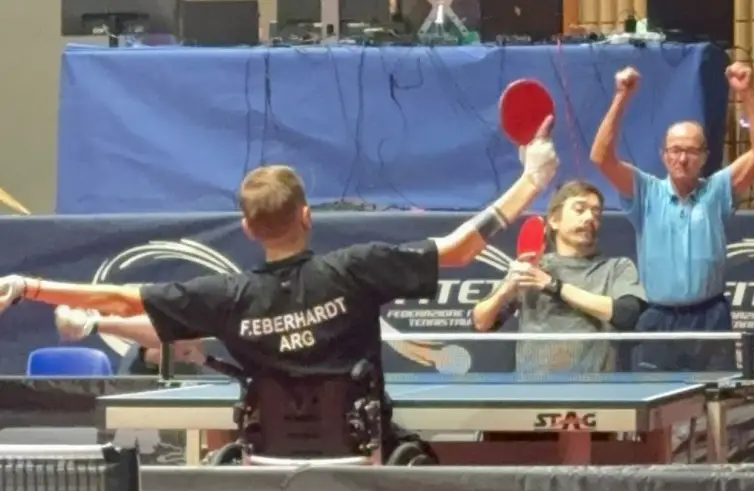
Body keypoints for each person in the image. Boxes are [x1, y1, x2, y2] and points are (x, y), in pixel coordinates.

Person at [0, 118, 560, 459]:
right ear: (308, 216)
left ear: (247, 229)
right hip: (362, 451)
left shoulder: (228, 297)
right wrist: (532, 181)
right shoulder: (355, 269)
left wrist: (29, 285)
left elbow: (120, 298)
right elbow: (460, 248)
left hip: (265, 455)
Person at [590, 62, 754, 372]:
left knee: (716, 397)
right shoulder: (645, 191)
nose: (682, 158)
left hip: (711, 317)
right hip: (658, 318)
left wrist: (747, 93)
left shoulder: (718, 190)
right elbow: (601, 157)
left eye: (691, 151)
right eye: (674, 150)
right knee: (657, 401)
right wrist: (621, 97)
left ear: (705, 157)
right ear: (663, 156)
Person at [473, 180, 646, 373]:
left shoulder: (616, 268)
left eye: (596, 213)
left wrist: (554, 285)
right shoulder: (533, 269)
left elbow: (627, 314)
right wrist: (507, 289)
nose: (590, 217)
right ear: (554, 221)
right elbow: (481, 323)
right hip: (535, 387)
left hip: (595, 387)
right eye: (580, 210)